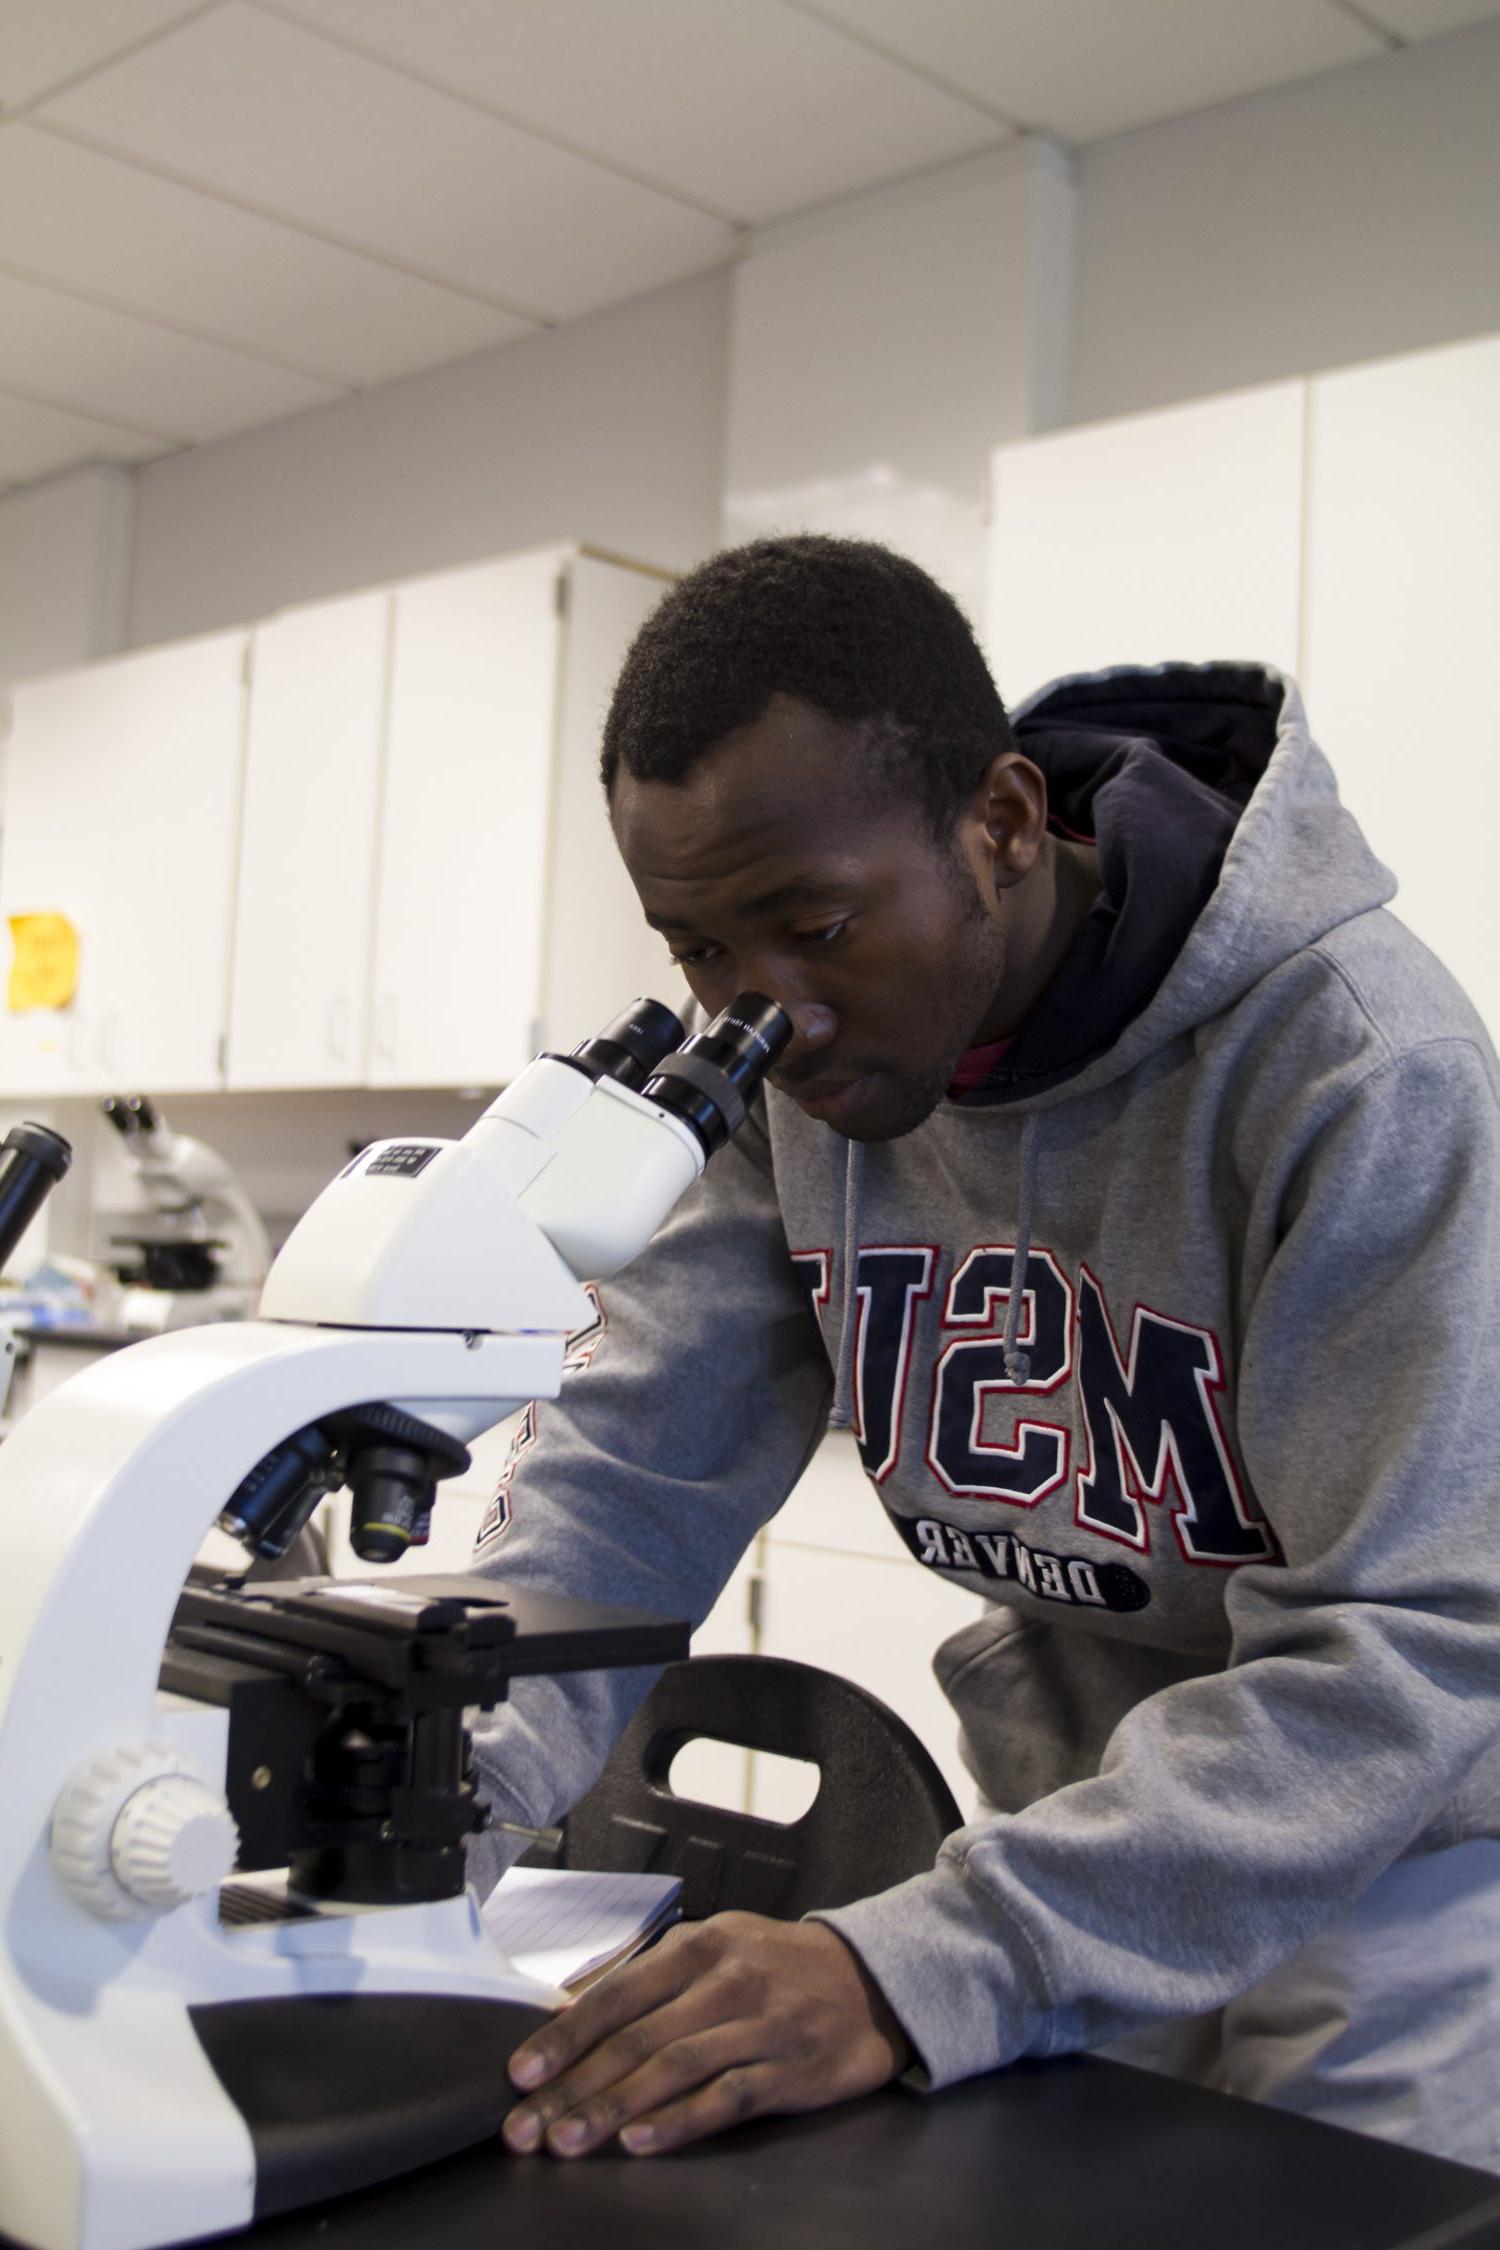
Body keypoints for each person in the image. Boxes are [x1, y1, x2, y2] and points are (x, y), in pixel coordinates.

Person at [467, 534, 1500, 2170]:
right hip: (1073, 1822)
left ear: (1003, 825)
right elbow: (625, 1480)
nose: (762, 1012)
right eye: (699, 951)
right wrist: (448, 1800)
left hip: (1401, 1862)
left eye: (812, 926)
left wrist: (909, 1961)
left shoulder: (1362, 1069)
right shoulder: (782, 1077)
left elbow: (1420, 1632)